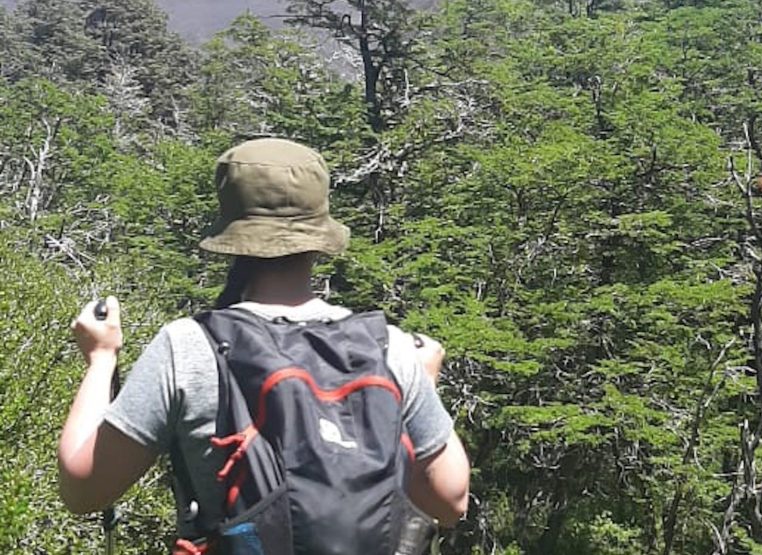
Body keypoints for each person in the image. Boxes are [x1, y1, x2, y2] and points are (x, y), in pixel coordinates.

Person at [58, 138, 470, 550]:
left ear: (230, 223)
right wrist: (421, 382)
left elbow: (83, 489)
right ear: (320, 228)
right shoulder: (389, 348)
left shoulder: (187, 346)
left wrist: (100, 359)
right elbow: (451, 500)